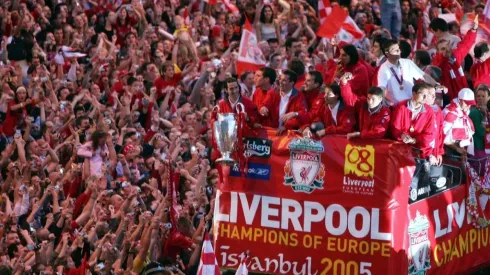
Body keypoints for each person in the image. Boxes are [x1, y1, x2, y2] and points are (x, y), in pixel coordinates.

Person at [431, 15, 477, 104]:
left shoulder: (455, 56)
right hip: (447, 98)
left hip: (462, 95)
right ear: (437, 51)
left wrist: (473, 29)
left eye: (446, 48)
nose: (444, 51)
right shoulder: (436, 65)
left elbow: (466, 44)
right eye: (442, 49)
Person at [377, 39, 437, 106]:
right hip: (394, 107)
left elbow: (423, 76)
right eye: (395, 50)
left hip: (410, 105)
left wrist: (436, 84)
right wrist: (382, 103)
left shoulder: (408, 63)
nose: (398, 51)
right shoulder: (383, 69)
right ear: (387, 53)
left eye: (399, 49)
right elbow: (381, 88)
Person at [390, 82, 436, 162]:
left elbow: (430, 134)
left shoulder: (429, 111)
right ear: (414, 94)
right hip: (400, 147)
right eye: (423, 95)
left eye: (427, 95)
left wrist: (414, 140)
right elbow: (394, 128)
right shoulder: (401, 107)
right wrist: (401, 135)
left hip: (418, 150)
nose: (425, 98)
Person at [340, 73, 391, 139]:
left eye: (373, 99)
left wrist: (359, 134)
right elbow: (350, 99)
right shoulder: (363, 103)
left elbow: (378, 133)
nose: (370, 101)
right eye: (368, 98)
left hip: (377, 144)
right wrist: (344, 84)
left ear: (380, 99)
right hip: (362, 141)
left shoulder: (385, 112)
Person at [259, 70, 308, 135]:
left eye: (284, 80)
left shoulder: (299, 96)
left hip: (287, 133)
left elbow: (302, 114)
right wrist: (263, 107)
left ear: (292, 83)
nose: (280, 82)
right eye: (280, 79)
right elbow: (265, 104)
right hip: (272, 131)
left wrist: (286, 126)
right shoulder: (272, 92)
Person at [442, 88, 477, 162]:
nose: (469, 105)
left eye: (470, 103)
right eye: (467, 102)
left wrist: (462, 151)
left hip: (460, 149)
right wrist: (457, 148)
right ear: (459, 100)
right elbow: (442, 135)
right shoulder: (450, 113)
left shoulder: (464, 111)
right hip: (450, 150)